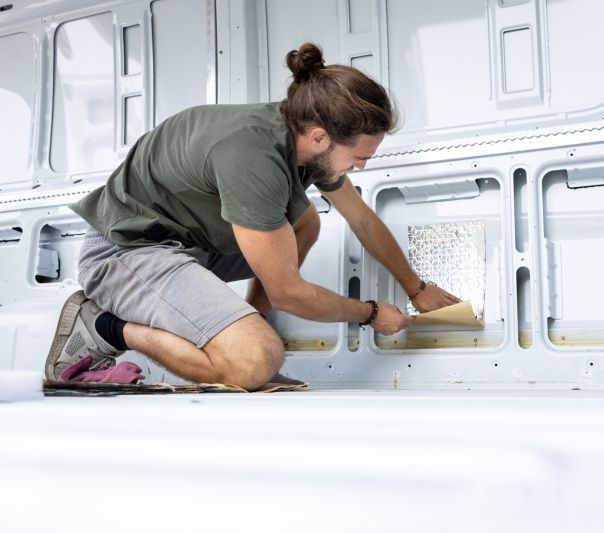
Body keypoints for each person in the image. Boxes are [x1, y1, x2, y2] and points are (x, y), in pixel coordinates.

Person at [45, 43, 459, 390]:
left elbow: (362, 219)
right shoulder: (252, 157)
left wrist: (416, 287)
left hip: (187, 244)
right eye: (359, 157)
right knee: (253, 364)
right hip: (125, 252)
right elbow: (288, 293)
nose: (363, 167)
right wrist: (370, 313)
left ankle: (247, 326)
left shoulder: (299, 137)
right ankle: (103, 326)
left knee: (305, 221)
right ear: (320, 136)